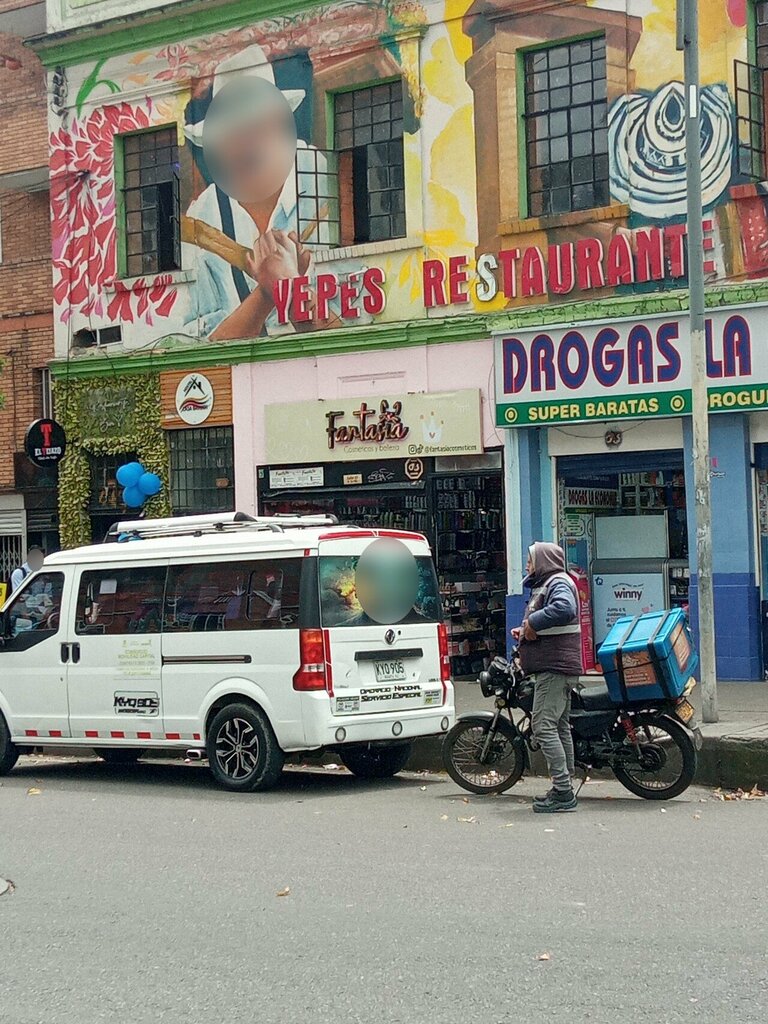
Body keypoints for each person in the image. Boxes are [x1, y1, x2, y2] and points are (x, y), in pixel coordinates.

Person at [514, 542, 583, 814]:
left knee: (543, 726)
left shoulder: (558, 582)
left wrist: (532, 623)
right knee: (559, 726)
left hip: (555, 668)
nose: (527, 566)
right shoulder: (549, 583)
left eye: (531, 560)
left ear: (543, 561)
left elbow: (564, 609)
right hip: (556, 666)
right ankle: (564, 785)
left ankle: (563, 791)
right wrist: (525, 631)